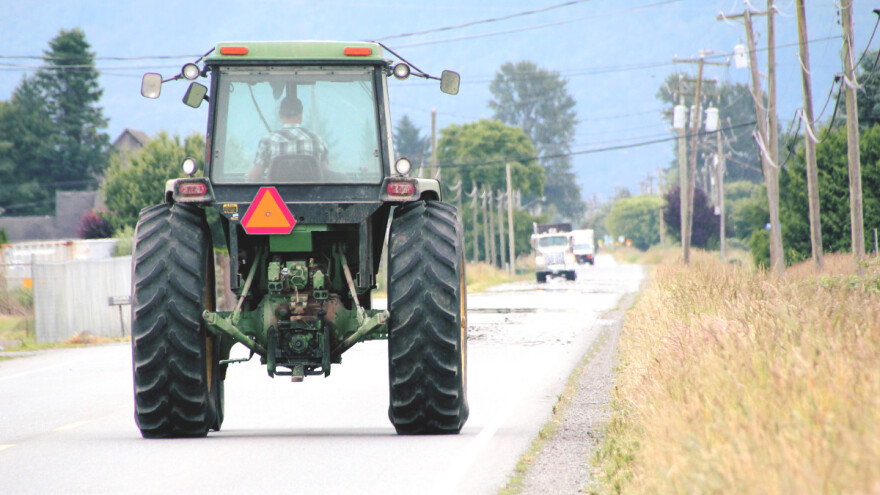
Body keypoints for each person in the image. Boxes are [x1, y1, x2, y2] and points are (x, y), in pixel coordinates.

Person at [246, 96, 329, 182]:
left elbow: (253, 177)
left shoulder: (267, 141)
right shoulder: (317, 140)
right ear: (301, 115)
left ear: (280, 115)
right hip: (310, 191)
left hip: (277, 191)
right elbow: (326, 176)